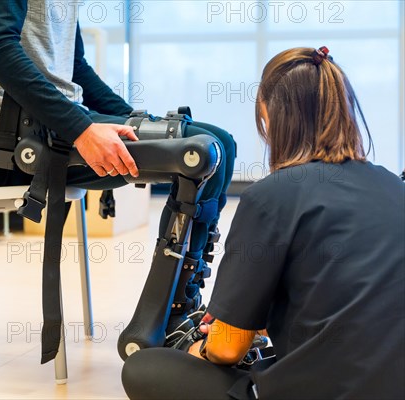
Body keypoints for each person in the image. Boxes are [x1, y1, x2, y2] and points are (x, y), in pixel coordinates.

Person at [121, 46, 405, 400]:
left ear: (272, 117)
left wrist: (201, 350)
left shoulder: (270, 196)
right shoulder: (395, 186)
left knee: (144, 369)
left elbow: (227, 350)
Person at [0, 0, 236, 331]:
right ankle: (168, 320)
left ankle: (183, 304)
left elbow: (74, 67)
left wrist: (136, 121)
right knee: (204, 150)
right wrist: (80, 130)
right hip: (15, 130)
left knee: (221, 143)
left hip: (58, 118)